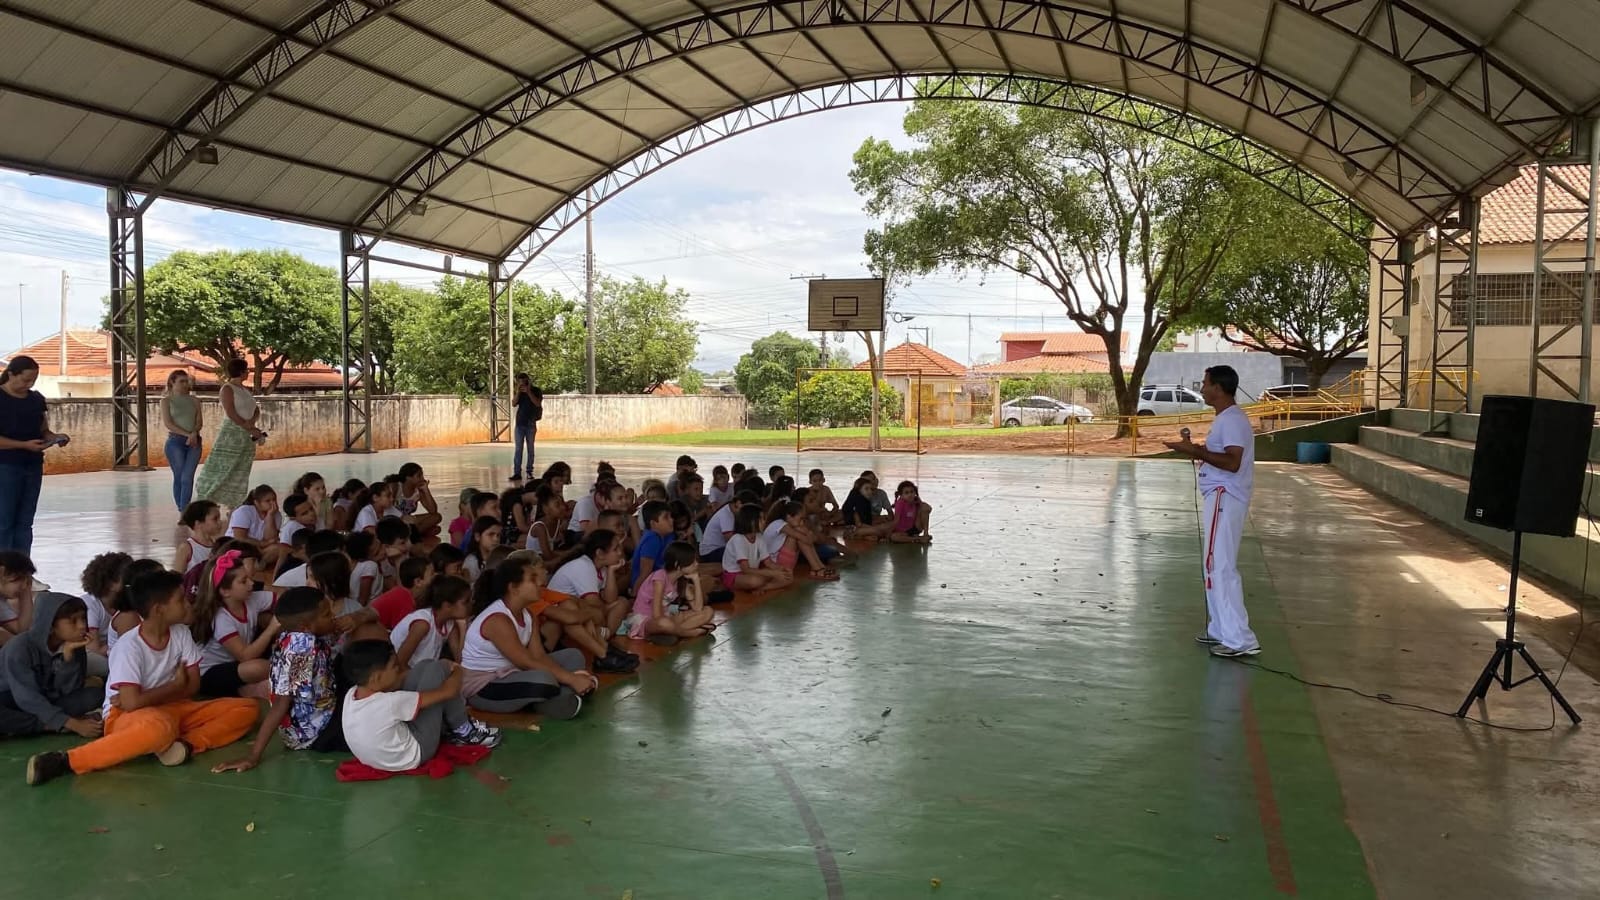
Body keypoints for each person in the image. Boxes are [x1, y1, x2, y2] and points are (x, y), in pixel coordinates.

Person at [26, 569, 259, 786]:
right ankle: (67, 761)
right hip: (126, 717)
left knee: (246, 708)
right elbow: (130, 704)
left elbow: (194, 685)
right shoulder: (130, 647)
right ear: (159, 610)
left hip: (173, 708)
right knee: (158, 728)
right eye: (180, 600)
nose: (188, 604)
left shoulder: (181, 634)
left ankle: (184, 745)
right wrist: (175, 685)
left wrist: (164, 693)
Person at [1164, 364, 1261, 659]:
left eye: (1205, 383)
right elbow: (1223, 457)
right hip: (1219, 496)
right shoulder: (1226, 419)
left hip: (1225, 497)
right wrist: (1198, 450)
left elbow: (1232, 463)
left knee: (1220, 566)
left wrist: (1195, 452)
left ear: (1218, 388)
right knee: (1213, 564)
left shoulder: (1232, 420)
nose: (1202, 388)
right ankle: (1220, 627)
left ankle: (1239, 638)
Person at [211, 587, 344, 773]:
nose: (333, 616)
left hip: (321, 707)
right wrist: (253, 755)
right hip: (314, 731)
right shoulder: (301, 649)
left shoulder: (296, 634)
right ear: (306, 626)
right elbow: (282, 702)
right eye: (327, 614)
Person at [459, 555, 594, 718]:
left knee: (573, 656)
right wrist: (571, 679)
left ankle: (555, 696)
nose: (540, 583)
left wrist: (570, 677)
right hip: (484, 688)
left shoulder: (528, 613)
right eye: (532, 579)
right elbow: (526, 661)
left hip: (513, 673)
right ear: (514, 588)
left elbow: (538, 656)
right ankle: (561, 695)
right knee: (544, 679)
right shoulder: (497, 619)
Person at [340, 640, 499, 773]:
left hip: (380, 758)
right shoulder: (389, 703)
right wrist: (456, 670)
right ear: (376, 677)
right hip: (417, 752)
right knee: (437, 669)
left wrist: (427, 670)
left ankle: (454, 727)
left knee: (424, 666)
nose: (398, 668)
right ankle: (465, 730)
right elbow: (448, 692)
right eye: (394, 666)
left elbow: (407, 678)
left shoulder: (352, 694)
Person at [0, 592, 103, 739]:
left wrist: (68, 658)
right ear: (51, 625)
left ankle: (37, 723)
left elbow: (68, 690)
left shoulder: (75, 645)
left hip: (47, 699)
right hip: (11, 699)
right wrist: (73, 724)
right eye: (73, 621)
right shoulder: (19, 647)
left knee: (94, 695)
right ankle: (48, 726)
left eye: (83, 619)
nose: (82, 626)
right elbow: (27, 698)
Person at [0, 356, 69, 554]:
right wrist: (22, 445)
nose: (28, 385)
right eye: (25, 380)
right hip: (5, 465)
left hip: (32, 464)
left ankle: (22, 568)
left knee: (25, 521)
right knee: (5, 521)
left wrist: (55, 437)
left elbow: (43, 430)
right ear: (11, 374)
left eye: (33, 380)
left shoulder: (35, 400)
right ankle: (5, 570)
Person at [192, 550, 279, 699]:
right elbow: (245, 656)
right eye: (243, 581)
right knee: (257, 667)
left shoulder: (251, 599)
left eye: (249, 578)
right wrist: (271, 629)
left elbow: (283, 599)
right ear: (225, 591)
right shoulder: (220, 619)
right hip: (210, 674)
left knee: (262, 662)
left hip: (237, 664)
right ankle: (251, 688)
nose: (251, 583)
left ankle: (251, 689)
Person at [194, 358, 264, 508]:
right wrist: (247, 426)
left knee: (241, 467)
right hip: (232, 433)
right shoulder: (227, 388)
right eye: (246, 370)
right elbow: (231, 412)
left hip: (246, 434)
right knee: (223, 465)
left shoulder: (245, 390)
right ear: (241, 371)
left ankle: (235, 500)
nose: (248, 372)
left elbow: (255, 409)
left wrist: (252, 423)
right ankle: (206, 495)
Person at [624, 541, 714, 644]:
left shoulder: (681, 581)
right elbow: (657, 616)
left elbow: (698, 608)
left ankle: (670, 634)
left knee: (708, 611)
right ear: (677, 565)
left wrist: (696, 580)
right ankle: (690, 633)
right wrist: (673, 621)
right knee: (664, 623)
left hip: (666, 616)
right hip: (646, 620)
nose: (696, 564)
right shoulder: (659, 577)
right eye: (692, 562)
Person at [390, 574, 469, 668]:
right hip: (397, 672)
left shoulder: (450, 624)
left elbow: (460, 661)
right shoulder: (423, 624)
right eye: (465, 602)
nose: (470, 604)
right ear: (447, 606)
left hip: (419, 670)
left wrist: (463, 629)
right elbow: (399, 663)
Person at [161, 369, 204, 511]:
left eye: (187, 381)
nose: (185, 384)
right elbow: (169, 423)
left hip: (194, 441)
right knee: (179, 476)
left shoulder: (195, 400)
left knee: (187, 477)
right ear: (172, 382)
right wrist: (187, 434)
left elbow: (199, 421)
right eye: (182, 381)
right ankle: (183, 509)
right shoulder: (166, 401)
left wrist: (194, 433)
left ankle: (184, 509)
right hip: (175, 442)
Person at [722, 506, 791, 592]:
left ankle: (761, 588)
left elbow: (768, 563)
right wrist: (773, 573)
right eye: (761, 519)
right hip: (735, 576)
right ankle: (757, 586)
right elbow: (745, 569)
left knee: (788, 577)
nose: (764, 522)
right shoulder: (738, 539)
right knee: (755, 581)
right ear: (751, 521)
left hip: (752, 573)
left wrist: (781, 569)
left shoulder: (759, 537)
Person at [372, 557, 433, 631]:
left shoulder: (406, 595)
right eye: (432, 574)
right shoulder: (403, 598)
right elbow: (402, 632)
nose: (435, 576)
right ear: (418, 582)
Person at [511, 375, 542, 483]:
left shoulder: (536, 391)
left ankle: (529, 471)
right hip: (520, 424)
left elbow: (537, 403)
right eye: (520, 382)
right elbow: (514, 403)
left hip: (531, 424)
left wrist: (529, 392)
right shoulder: (520, 392)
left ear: (528, 381)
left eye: (524, 382)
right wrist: (518, 392)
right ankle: (517, 473)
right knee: (518, 449)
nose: (522, 384)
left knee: (530, 448)